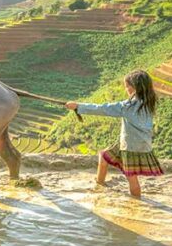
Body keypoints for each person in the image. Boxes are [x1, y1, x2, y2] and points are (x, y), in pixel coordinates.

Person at [65, 70, 163, 198]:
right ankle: (99, 185)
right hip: (137, 141)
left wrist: (78, 106)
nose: (126, 89)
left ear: (134, 88)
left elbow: (102, 108)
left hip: (130, 145)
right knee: (104, 156)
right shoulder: (149, 101)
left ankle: (137, 203)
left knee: (131, 177)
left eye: (127, 86)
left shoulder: (128, 106)